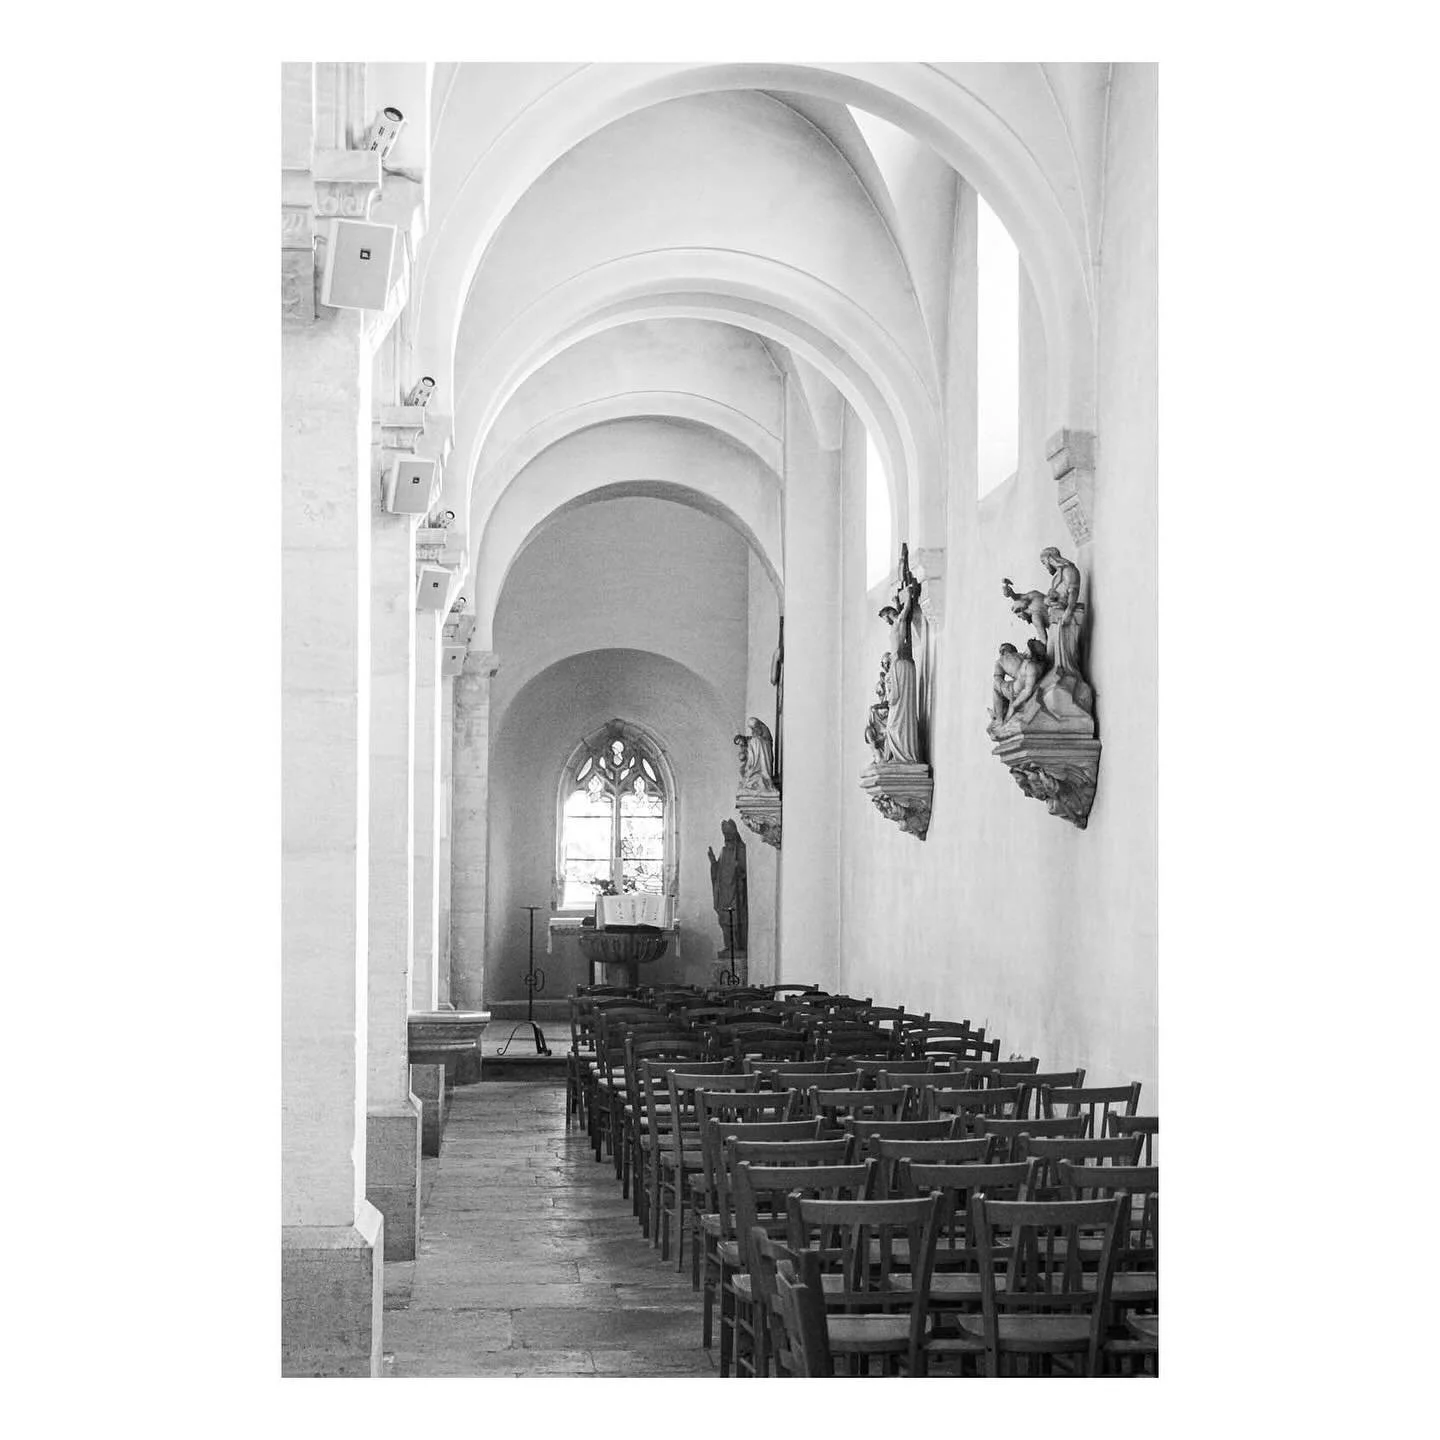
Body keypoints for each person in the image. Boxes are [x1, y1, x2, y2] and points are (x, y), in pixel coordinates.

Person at [879, 578, 922, 764]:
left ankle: (904, 753)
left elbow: (904, 614)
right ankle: (898, 753)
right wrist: (899, 601)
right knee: (893, 719)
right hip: (897, 666)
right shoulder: (896, 624)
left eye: (886, 618)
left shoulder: (899, 622)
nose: (887, 622)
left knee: (897, 716)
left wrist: (909, 597)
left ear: (890, 614)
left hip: (902, 666)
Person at [707, 819, 748, 957]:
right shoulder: (723, 851)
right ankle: (728, 946)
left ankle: (737, 947)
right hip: (723, 892)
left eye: (729, 834)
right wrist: (713, 862)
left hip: (736, 892)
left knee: (735, 920)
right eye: (725, 835)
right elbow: (718, 871)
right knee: (724, 920)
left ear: (735, 834)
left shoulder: (740, 850)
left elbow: (745, 872)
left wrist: (739, 869)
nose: (727, 838)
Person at [735, 716, 777, 791]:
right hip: (752, 758)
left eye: (752, 727)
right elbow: (743, 754)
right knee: (743, 770)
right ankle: (751, 776)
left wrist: (754, 742)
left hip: (762, 757)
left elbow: (762, 740)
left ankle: (758, 775)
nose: (740, 743)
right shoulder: (747, 743)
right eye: (739, 743)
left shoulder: (762, 730)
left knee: (754, 742)